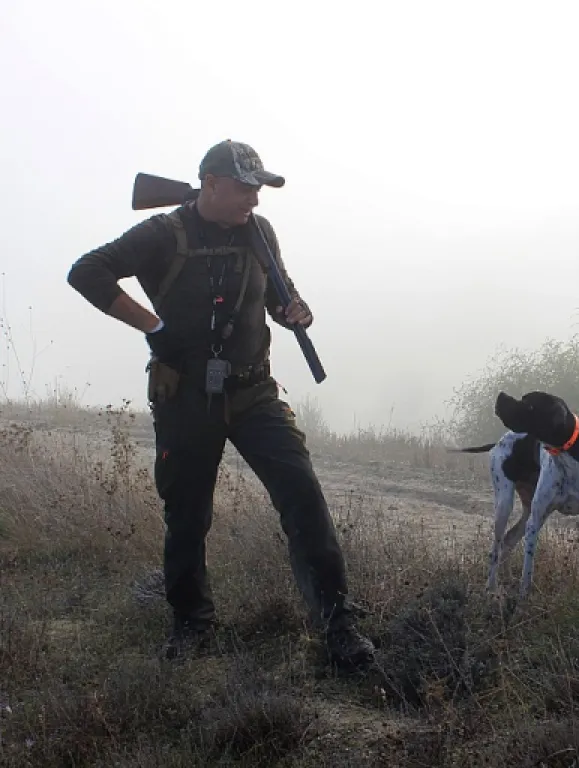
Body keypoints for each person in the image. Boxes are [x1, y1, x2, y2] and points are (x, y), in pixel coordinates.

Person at [67, 139, 375, 667]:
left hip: (255, 391)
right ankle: (192, 625)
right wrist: (152, 324)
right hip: (186, 395)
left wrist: (292, 309)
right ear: (210, 185)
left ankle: (338, 627)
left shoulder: (260, 231)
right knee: (186, 514)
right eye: (245, 188)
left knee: (303, 496)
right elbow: (87, 272)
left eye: (259, 189)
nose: (254, 200)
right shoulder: (162, 234)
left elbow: (278, 294)